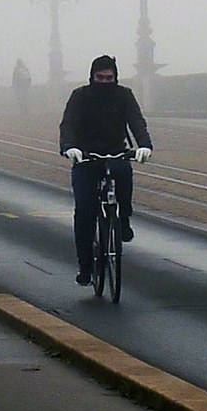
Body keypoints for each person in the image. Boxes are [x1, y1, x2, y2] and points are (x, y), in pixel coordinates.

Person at [59, 54, 153, 287]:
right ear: (91, 77)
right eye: (99, 77)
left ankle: (124, 219)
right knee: (85, 211)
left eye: (109, 78)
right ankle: (85, 267)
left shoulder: (124, 96)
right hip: (86, 156)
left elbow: (136, 121)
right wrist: (69, 147)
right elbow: (68, 124)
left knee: (124, 175)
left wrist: (144, 145)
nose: (104, 82)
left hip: (115, 152)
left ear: (115, 77)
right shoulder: (80, 97)